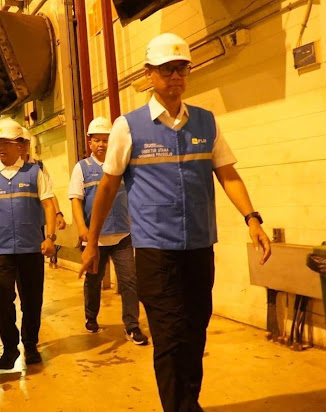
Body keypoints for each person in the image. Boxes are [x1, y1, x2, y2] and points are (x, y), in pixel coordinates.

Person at [80, 33, 271, 412]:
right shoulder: (128, 126)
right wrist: (92, 242)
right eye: (166, 69)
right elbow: (108, 186)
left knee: (195, 332)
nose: (175, 76)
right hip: (156, 253)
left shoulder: (205, 122)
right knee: (168, 337)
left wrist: (252, 218)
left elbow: (228, 174)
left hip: (199, 247)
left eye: (181, 69)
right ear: (149, 74)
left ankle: (189, 402)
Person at [0, 118, 57, 369]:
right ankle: (10, 348)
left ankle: (30, 345)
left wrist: (50, 237)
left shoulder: (34, 173)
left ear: (19, 145)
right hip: (2, 250)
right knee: (4, 298)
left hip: (31, 248)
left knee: (32, 300)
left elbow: (48, 205)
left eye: (6, 143)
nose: (0, 148)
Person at [69, 117, 148, 344]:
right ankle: (91, 317)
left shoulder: (122, 167)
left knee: (129, 281)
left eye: (106, 140)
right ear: (90, 142)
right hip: (96, 239)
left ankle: (132, 326)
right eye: (97, 140)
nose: (101, 145)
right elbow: (76, 199)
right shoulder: (82, 168)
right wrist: (82, 228)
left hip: (123, 235)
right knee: (93, 280)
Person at [20, 127, 67, 231]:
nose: (22, 146)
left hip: (37, 221)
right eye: (19, 142)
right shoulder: (9, 168)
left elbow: (49, 192)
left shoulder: (38, 166)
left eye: (25, 142)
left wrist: (58, 213)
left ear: (29, 144)